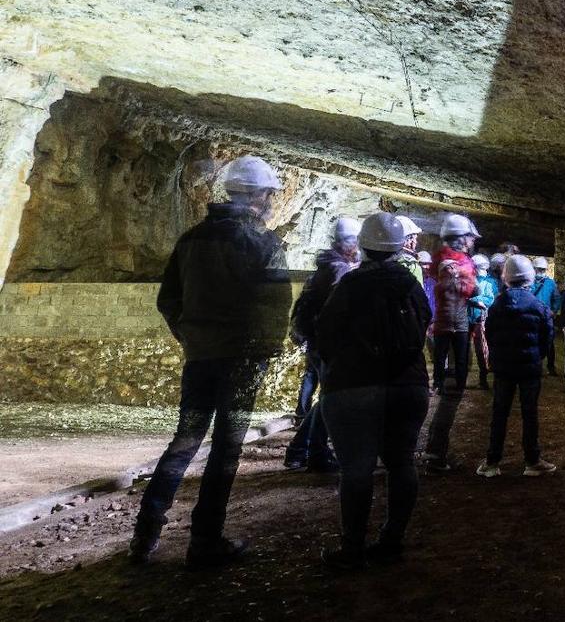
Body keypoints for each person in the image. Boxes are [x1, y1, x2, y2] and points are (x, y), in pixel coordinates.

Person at [129, 155, 291, 568]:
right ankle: (205, 540)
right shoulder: (263, 243)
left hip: (200, 358)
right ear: (257, 195)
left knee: (185, 439)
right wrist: (265, 351)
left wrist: (191, 337)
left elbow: (168, 300)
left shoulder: (191, 240)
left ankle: (145, 534)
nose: (270, 201)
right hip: (241, 361)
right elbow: (275, 306)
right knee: (225, 448)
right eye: (269, 194)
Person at [315, 213, 433, 569]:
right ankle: (392, 540)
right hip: (407, 385)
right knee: (402, 461)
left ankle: (353, 548)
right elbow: (423, 324)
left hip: (355, 386)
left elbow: (325, 336)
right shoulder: (411, 285)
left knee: (357, 468)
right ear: (398, 248)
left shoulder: (349, 286)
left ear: (363, 246)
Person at [285, 216, 361, 473]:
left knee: (329, 397)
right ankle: (310, 451)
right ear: (347, 243)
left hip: (319, 343)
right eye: (356, 242)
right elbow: (339, 312)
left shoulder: (327, 266)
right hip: (329, 345)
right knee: (332, 399)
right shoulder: (340, 270)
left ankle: (302, 450)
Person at [476, 256, 558, 478]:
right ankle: (532, 461)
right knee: (529, 414)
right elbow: (547, 336)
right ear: (529, 278)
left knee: (499, 413)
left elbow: (489, 333)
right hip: (529, 368)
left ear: (507, 278)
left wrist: (498, 357)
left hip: (504, 369)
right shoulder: (538, 306)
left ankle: (492, 462)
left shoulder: (497, 305)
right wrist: (537, 356)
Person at [423, 214, 480, 473]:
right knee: (452, 389)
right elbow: (469, 289)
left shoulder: (439, 260)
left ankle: (435, 448)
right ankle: (435, 452)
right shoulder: (457, 263)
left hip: (445, 327)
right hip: (454, 328)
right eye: (469, 237)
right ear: (460, 238)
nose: (471, 242)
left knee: (448, 388)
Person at [468, 254, 496, 390]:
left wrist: (473, 300)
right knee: (467, 349)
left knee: (481, 350)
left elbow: (490, 299)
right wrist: (475, 300)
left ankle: (483, 378)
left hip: (481, 320)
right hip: (469, 318)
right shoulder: (469, 280)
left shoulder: (490, 282)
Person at [530, 257, 561, 376]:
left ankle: (551, 366)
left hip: (546, 317)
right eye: (538, 269)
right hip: (532, 316)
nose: (540, 272)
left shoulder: (550, 283)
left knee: (549, 342)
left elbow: (557, 298)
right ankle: (535, 366)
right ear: (534, 269)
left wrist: (554, 310)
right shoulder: (529, 282)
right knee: (533, 341)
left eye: (543, 269)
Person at [394, 215, 425, 285]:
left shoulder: (378, 261)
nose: (416, 242)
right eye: (415, 238)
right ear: (409, 240)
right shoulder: (411, 265)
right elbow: (418, 291)